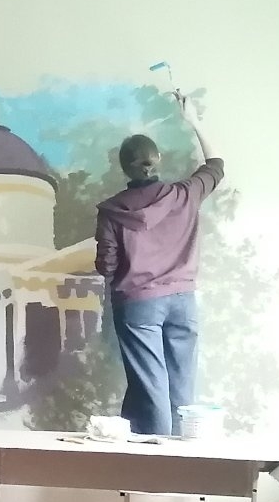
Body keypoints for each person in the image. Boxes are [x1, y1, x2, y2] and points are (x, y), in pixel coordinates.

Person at [95, 92, 223, 436]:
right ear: (158, 160)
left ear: (124, 167)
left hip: (138, 304)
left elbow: (106, 266)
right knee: (182, 387)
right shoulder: (186, 193)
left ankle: (158, 457)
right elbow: (216, 165)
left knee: (150, 387)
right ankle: (179, 453)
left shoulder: (112, 211)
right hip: (184, 301)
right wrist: (194, 120)